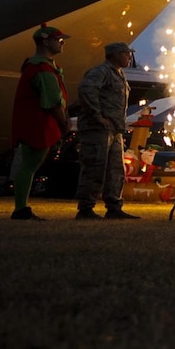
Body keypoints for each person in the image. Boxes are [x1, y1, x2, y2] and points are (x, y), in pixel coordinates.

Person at [9, 24, 71, 220]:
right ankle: (20, 209)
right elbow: (52, 101)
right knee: (29, 166)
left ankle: (21, 208)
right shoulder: (42, 68)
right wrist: (64, 123)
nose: (62, 44)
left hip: (36, 122)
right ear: (46, 41)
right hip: (39, 123)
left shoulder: (41, 66)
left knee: (29, 165)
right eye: (59, 40)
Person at [73, 41, 138, 219]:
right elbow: (86, 91)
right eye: (126, 53)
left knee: (115, 169)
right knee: (95, 167)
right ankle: (86, 208)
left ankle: (114, 206)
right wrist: (97, 116)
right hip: (97, 128)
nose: (129, 57)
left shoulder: (119, 74)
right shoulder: (100, 71)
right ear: (114, 54)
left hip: (113, 129)